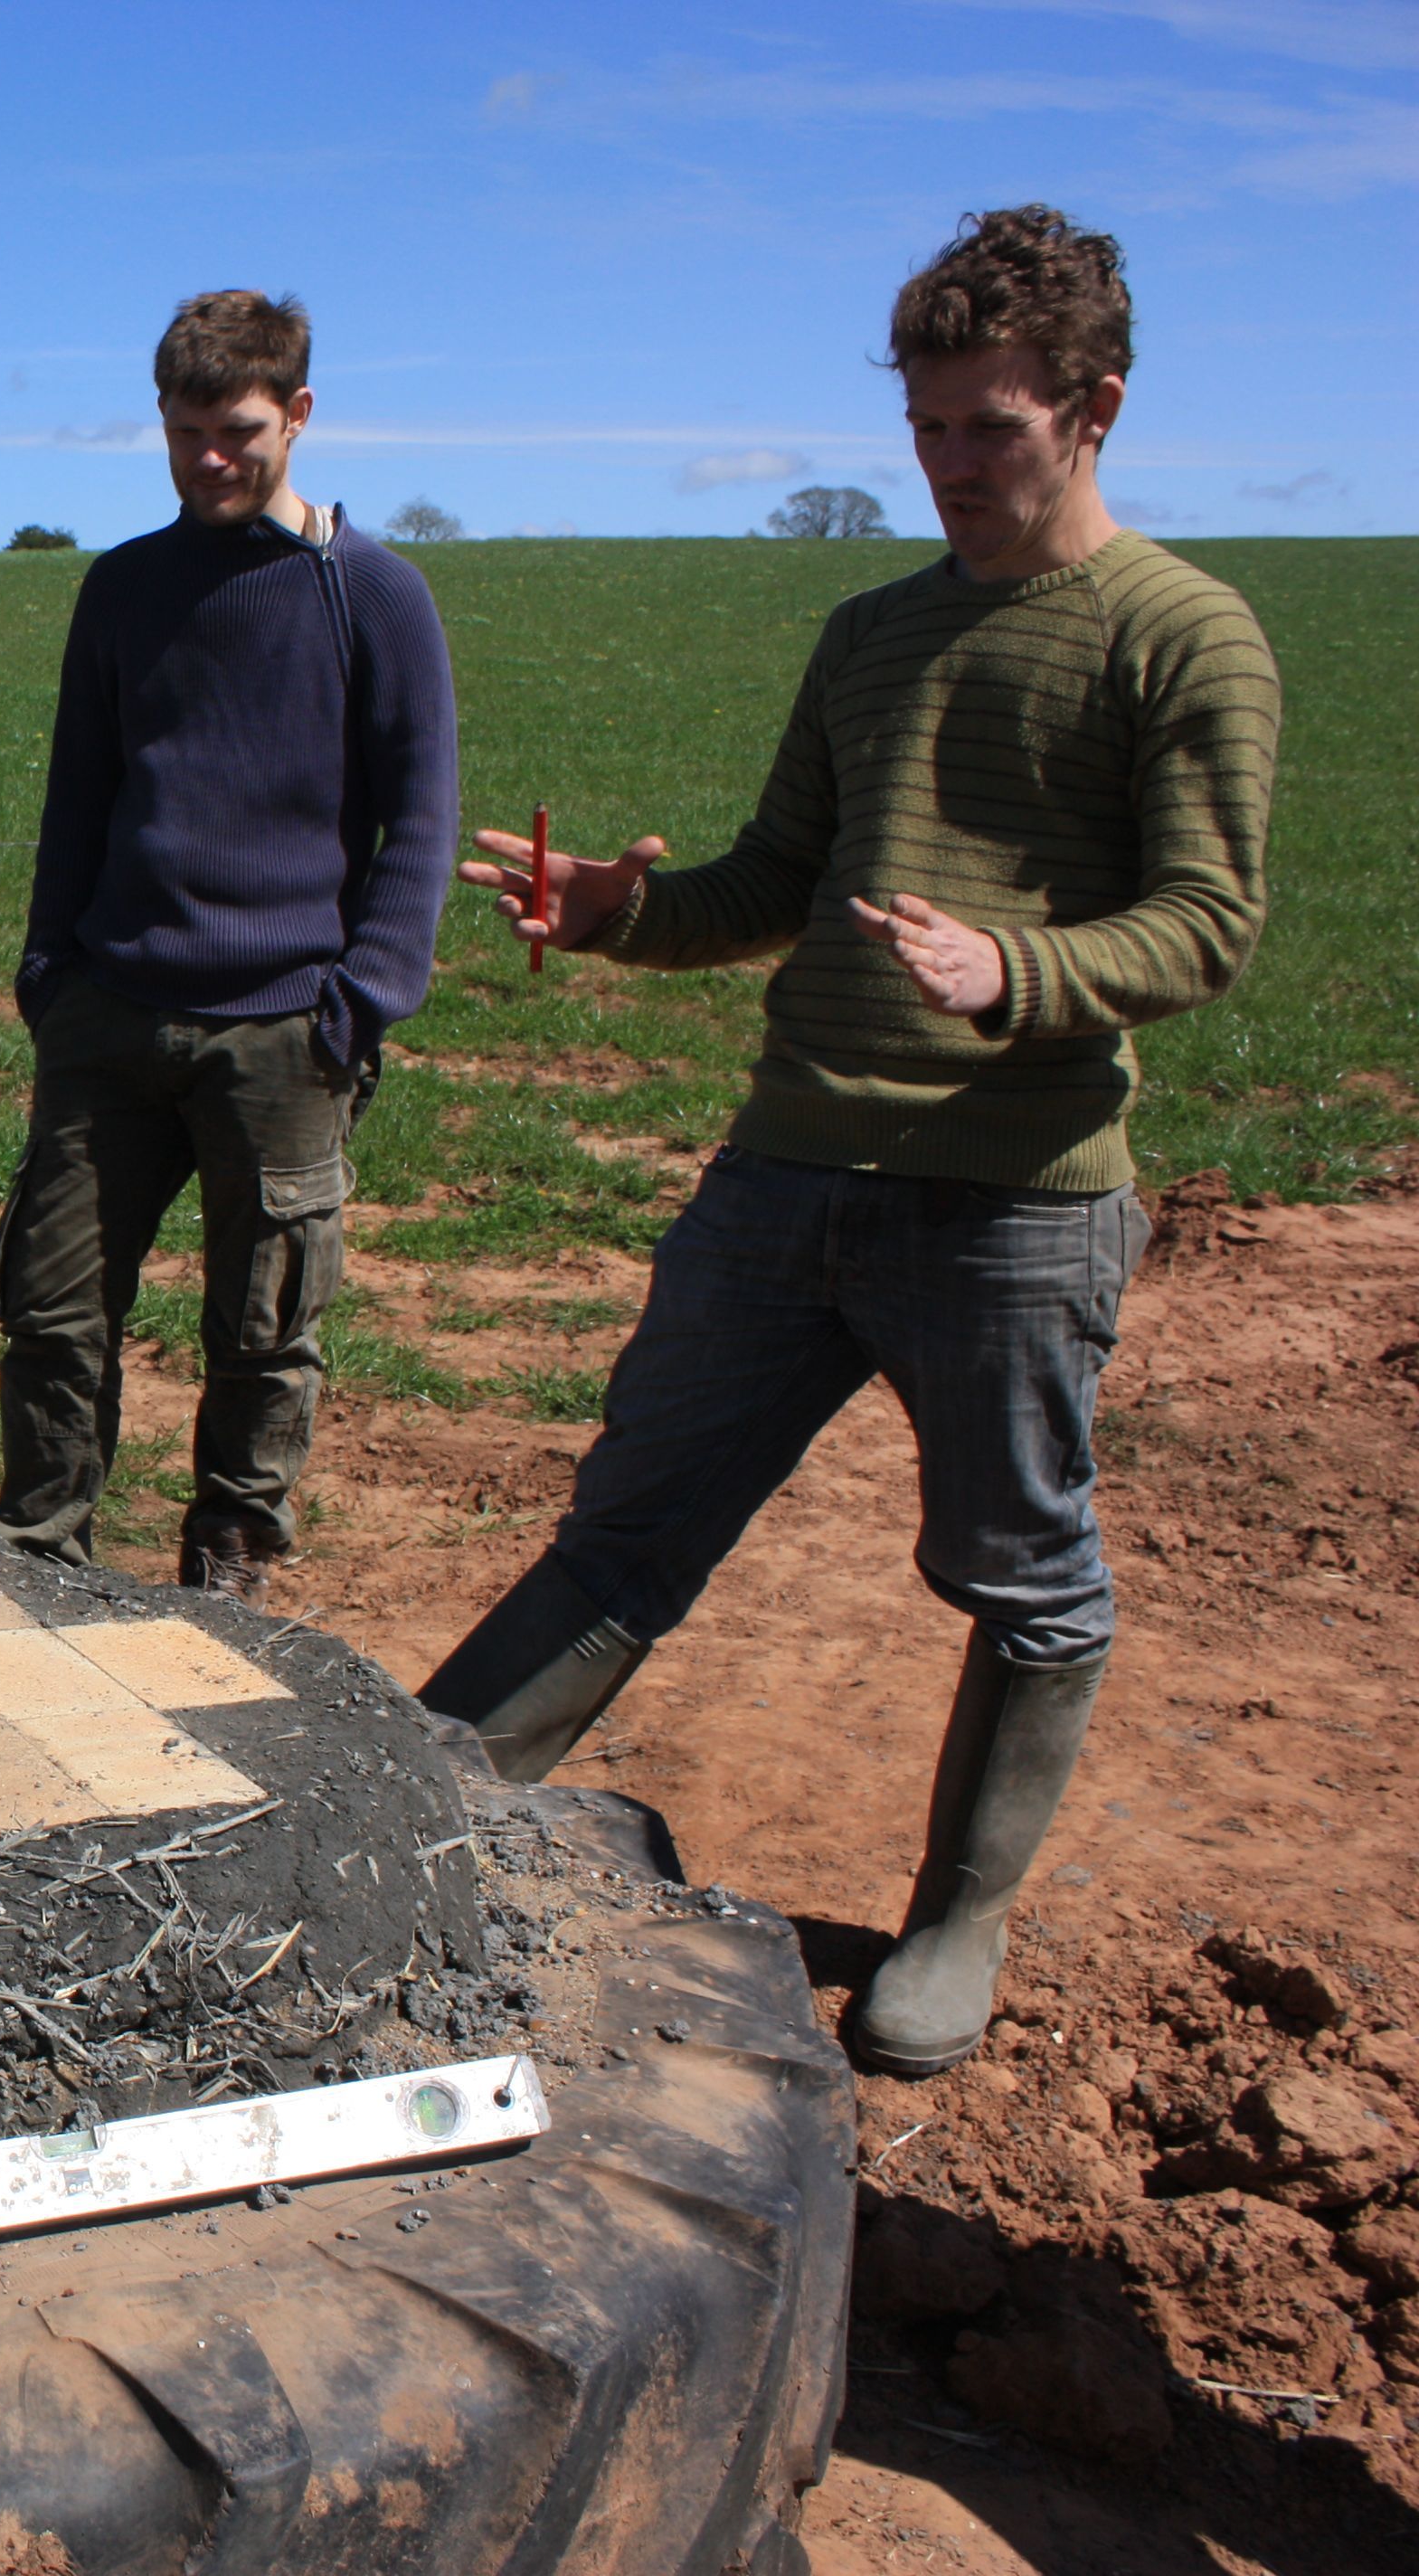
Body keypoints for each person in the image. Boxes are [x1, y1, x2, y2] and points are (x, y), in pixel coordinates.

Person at [417, 208, 1279, 2081]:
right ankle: (411, 1827)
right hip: (787, 1169)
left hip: (1014, 1207)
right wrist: (614, 912)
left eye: (994, 426)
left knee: (1020, 1571)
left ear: (1097, 406)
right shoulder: (871, 633)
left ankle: (955, 1912)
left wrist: (1021, 966)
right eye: (929, 427)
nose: (953, 465)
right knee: (629, 1524)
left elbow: (1208, 922)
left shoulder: (1183, 635)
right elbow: (776, 886)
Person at [0, 291, 460, 1596]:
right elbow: (77, 799)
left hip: (284, 1033)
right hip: (110, 1012)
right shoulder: (125, 588)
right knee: (52, 1310)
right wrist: (52, 974)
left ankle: (230, 1573)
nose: (211, 458)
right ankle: (43, 1560)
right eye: (186, 431)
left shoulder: (374, 595)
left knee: (264, 1329)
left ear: (299, 415)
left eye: (239, 430)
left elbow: (420, 820)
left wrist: (363, 1000)